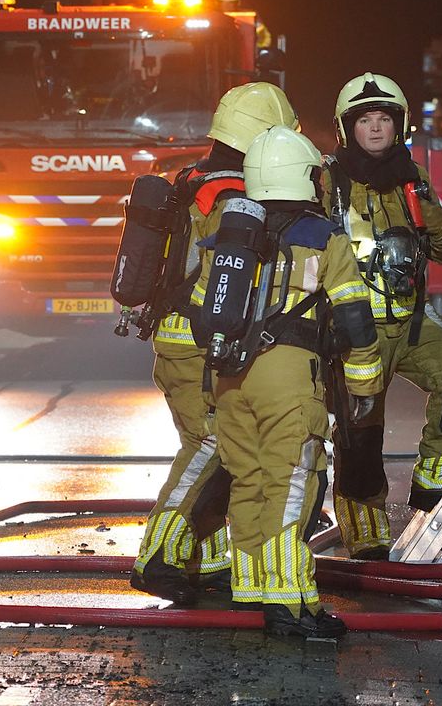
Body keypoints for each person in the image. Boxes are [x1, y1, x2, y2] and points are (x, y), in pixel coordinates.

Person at [132, 82, 300, 606]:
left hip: (176, 336)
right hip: (197, 344)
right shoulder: (233, 196)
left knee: (225, 449)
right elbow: (221, 282)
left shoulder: (193, 179)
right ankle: (158, 555)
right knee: (209, 445)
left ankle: (207, 560)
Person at [212, 125, 381, 637]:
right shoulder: (325, 238)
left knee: (248, 482)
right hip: (287, 378)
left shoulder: (227, 233)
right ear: (304, 178)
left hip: (228, 378)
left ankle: (251, 591)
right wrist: (364, 389)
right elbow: (354, 322)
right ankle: (288, 605)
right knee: (291, 489)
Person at [320, 72, 442, 559]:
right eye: (366, 120)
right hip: (353, 333)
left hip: (410, 323)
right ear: (347, 128)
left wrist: (422, 202)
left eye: (384, 120)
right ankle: (367, 542)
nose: (375, 129)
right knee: (360, 441)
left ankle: (431, 490)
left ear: (400, 126)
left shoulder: (412, 179)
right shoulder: (327, 181)